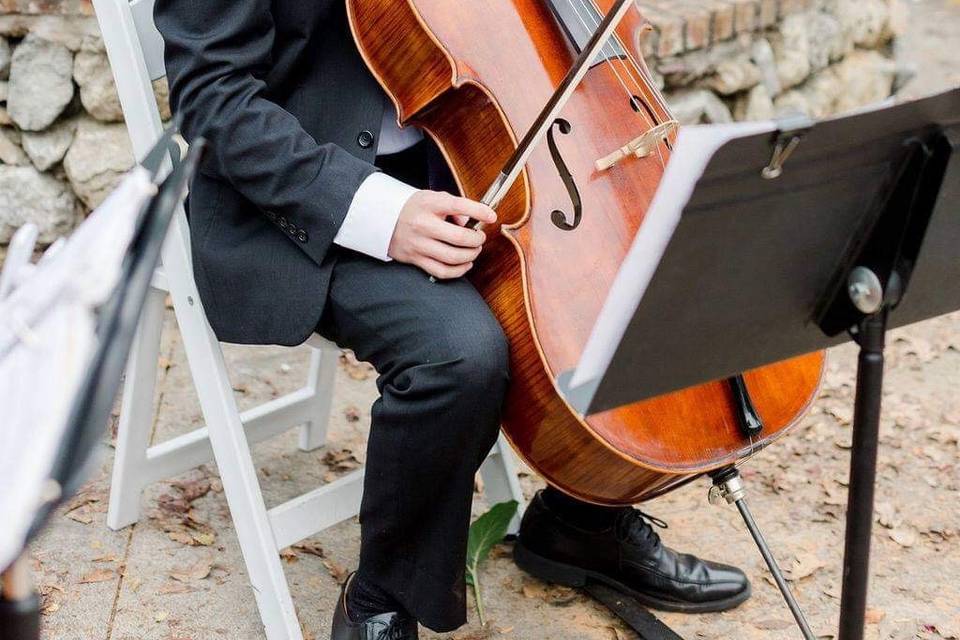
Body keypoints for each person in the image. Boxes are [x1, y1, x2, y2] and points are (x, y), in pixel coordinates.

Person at [153, 1, 751, 638]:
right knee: (458, 354)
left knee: (618, 280)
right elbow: (212, 100)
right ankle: (382, 598)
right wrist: (383, 214)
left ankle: (583, 524)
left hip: (476, 148)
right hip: (301, 197)